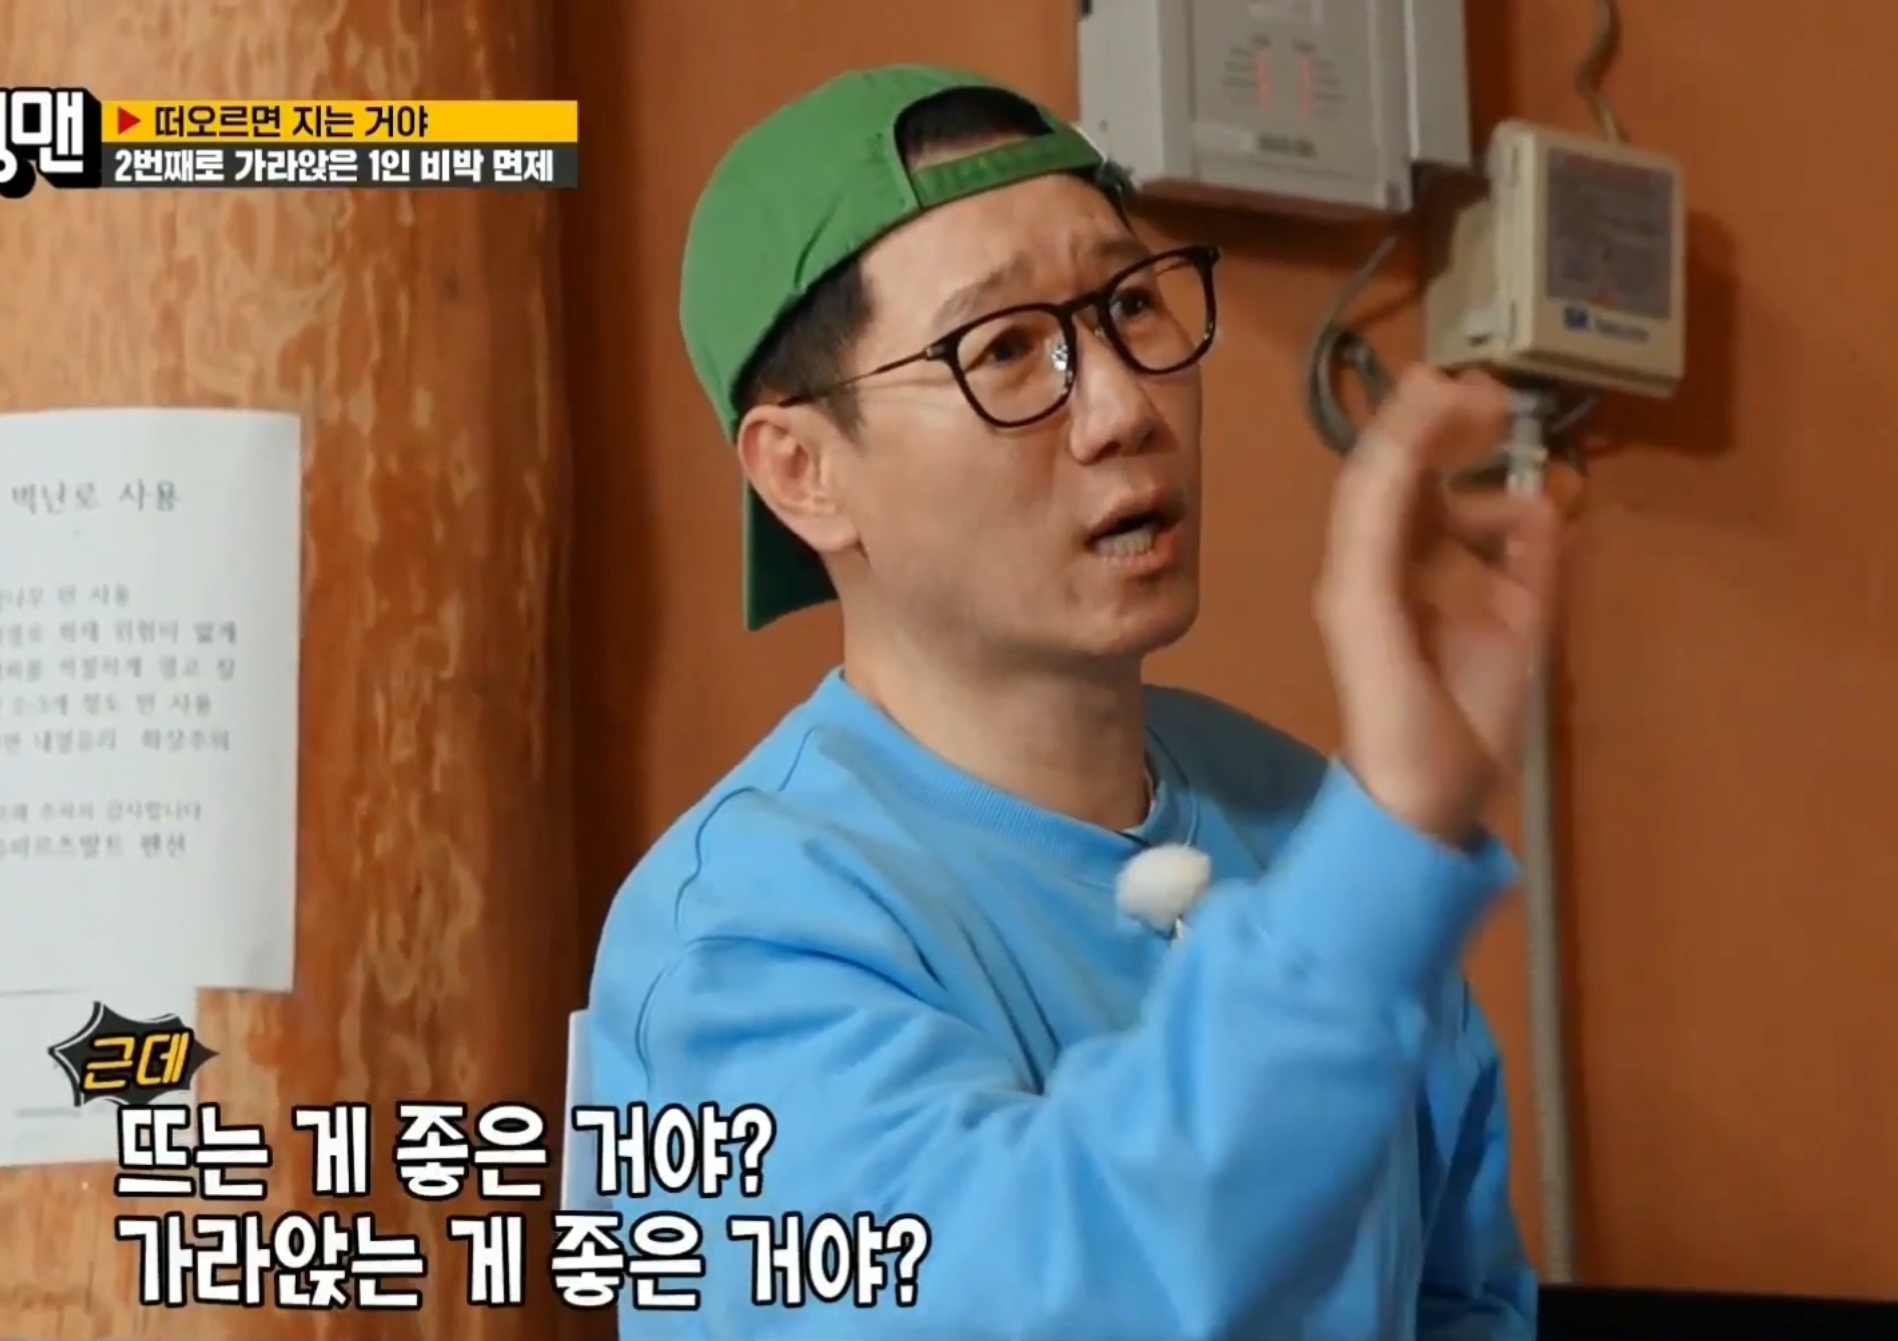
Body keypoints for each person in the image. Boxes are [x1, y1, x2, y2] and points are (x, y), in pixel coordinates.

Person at [585, 62, 1561, 1341]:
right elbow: (1036, 1294)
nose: (1120, 407)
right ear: (804, 473)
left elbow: (1458, 1301)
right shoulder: (737, 940)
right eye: (1003, 349)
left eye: (1129, 306)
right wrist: (1388, 845)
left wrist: (1382, 832)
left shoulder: (1300, 817)